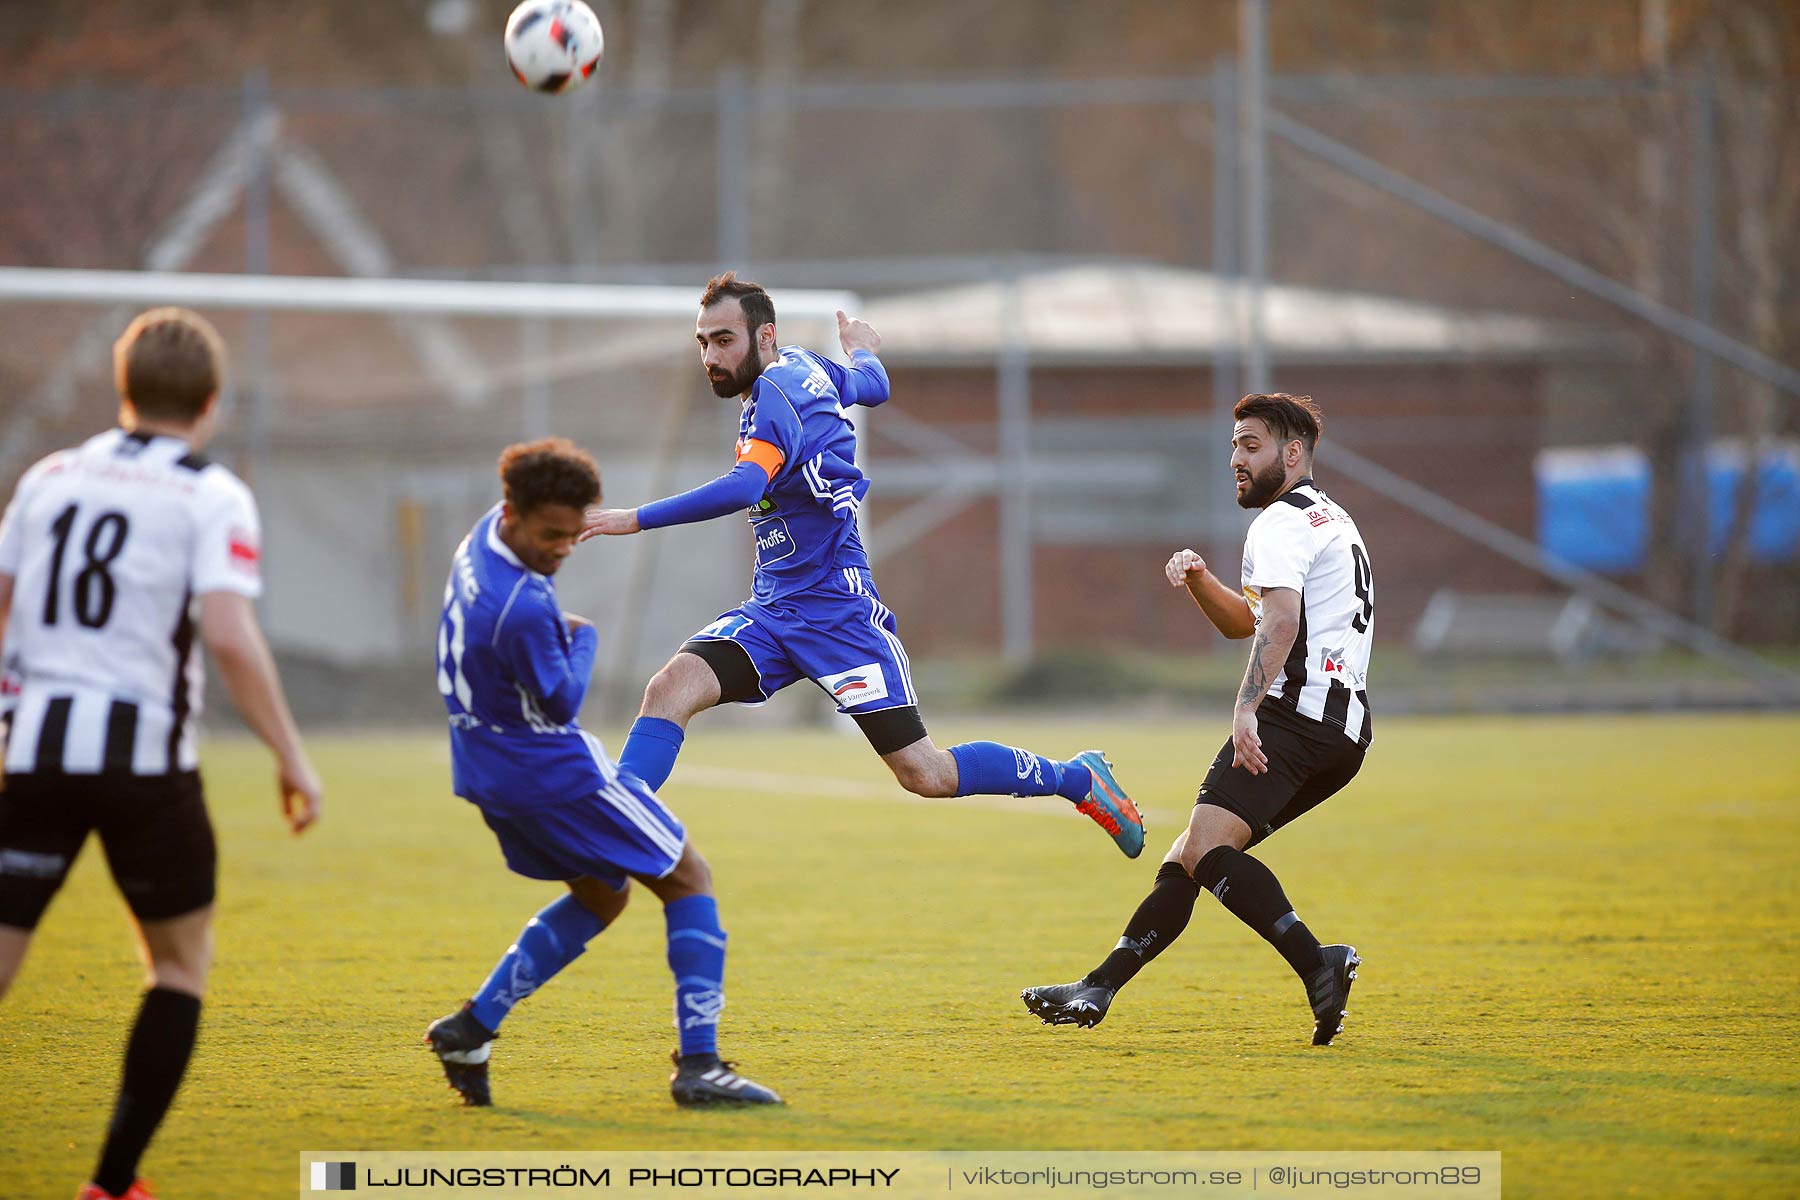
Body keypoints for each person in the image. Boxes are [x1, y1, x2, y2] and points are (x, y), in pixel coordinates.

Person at [579, 272, 1144, 856]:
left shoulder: (776, 394)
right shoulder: (806, 364)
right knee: (670, 687)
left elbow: (748, 486)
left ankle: (1077, 778)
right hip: (774, 612)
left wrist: (634, 518)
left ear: (764, 335)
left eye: (724, 340)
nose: (710, 356)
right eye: (703, 342)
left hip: (837, 612)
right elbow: (869, 387)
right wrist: (864, 350)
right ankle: (615, 823)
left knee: (927, 774)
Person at [0, 308, 323, 1200]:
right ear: (212, 403)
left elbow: (4, 608)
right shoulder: (210, 492)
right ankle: (110, 1184)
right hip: (144, 761)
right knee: (178, 966)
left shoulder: (49, 478)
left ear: (123, 389)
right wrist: (291, 756)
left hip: (32, 755)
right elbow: (227, 634)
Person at [425, 437, 780, 1109]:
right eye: (549, 535)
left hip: (485, 769)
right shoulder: (523, 609)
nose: (561, 548)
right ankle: (700, 1066)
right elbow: (561, 700)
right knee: (687, 875)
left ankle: (470, 1029)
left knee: (602, 894)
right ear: (513, 512)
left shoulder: (478, 544)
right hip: (551, 773)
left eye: (572, 535)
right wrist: (582, 636)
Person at [1021, 393, 1373, 1046]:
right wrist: (1201, 581)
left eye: (1251, 445)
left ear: (1292, 454)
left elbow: (1283, 621)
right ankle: (1099, 986)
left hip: (1294, 718)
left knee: (1209, 849)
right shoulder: (1331, 520)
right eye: (1234, 445)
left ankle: (1317, 961)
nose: (1235, 459)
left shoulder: (1279, 524)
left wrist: (1245, 710)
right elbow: (1250, 620)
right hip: (1343, 732)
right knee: (1188, 857)